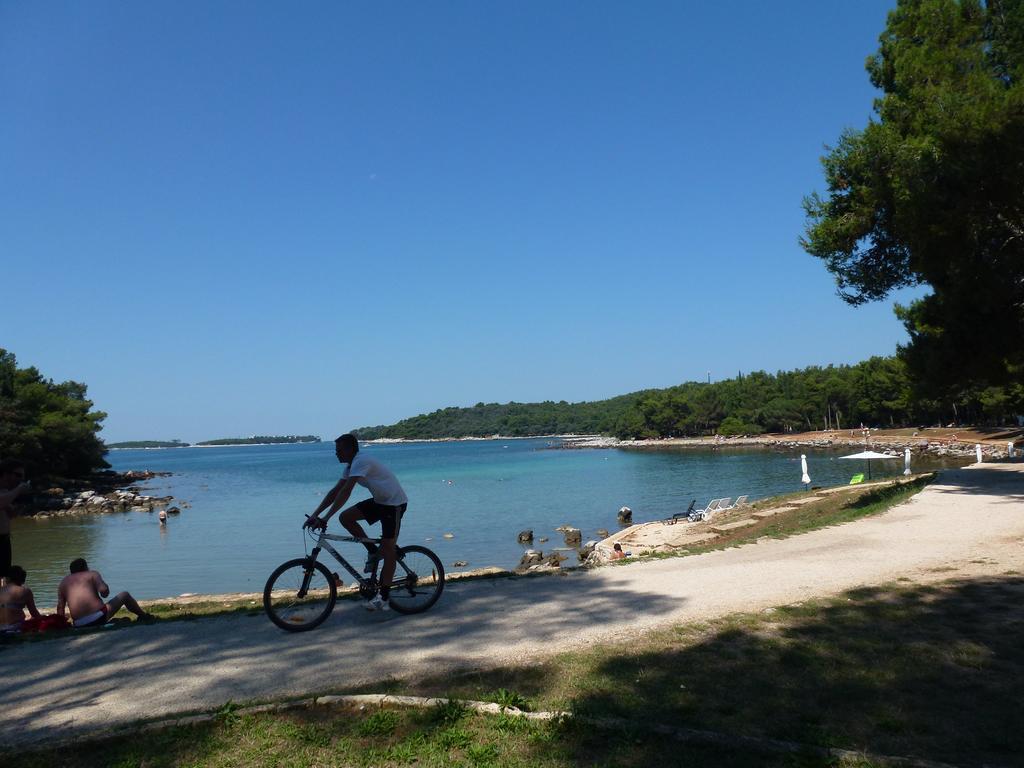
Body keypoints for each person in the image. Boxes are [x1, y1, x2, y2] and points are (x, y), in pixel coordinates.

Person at [304, 434, 408, 612]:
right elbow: (335, 491)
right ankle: (374, 552)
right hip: (380, 502)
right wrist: (315, 515)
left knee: (389, 548)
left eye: (339, 450)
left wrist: (326, 518)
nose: (336, 454)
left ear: (350, 450)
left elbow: (346, 492)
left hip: (394, 504)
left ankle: (383, 597)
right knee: (346, 517)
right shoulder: (351, 466)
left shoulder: (361, 461)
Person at [56, 558, 154, 628]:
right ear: (85, 567)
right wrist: (105, 588)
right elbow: (103, 591)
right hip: (98, 617)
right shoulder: (92, 574)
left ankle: (116, 621)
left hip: (79, 624)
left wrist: (61, 625)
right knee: (125, 595)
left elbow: (60, 607)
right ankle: (143, 616)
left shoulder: (63, 582)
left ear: (71, 571)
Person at [0, 460, 31, 583]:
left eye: (22, 477)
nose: (20, 479)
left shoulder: (5, 492)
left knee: (4, 576)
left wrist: (23, 502)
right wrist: (19, 489)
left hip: (4, 539)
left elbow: (11, 514)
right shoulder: (6, 493)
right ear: (6, 474)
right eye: (18, 475)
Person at [0, 565, 41, 632]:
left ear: (8, 578)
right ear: (22, 579)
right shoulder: (25, 591)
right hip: (16, 628)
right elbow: (34, 613)